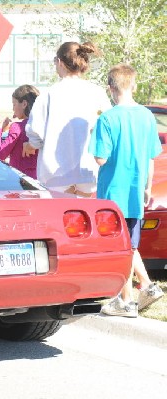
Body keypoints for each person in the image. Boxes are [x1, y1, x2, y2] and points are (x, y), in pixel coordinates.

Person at [89, 64, 164, 318]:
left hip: (112, 192)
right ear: (133, 85)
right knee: (129, 245)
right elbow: (152, 156)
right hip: (135, 190)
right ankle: (145, 286)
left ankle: (127, 300)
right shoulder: (146, 116)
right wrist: (146, 187)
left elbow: (100, 158)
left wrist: (92, 134)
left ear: (111, 89)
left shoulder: (106, 119)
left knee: (120, 247)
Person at [23, 41, 112, 196]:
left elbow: (36, 132)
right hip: (88, 168)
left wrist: (31, 145)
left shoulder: (49, 94)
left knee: (60, 216)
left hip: (55, 172)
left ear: (59, 62)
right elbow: (108, 128)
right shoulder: (97, 93)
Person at [0, 84, 40, 178]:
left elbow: (0, 154)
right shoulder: (42, 126)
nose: (13, 108)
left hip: (20, 181)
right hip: (39, 179)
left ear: (24, 104)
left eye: (14, 104)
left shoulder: (17, 127)